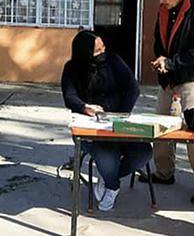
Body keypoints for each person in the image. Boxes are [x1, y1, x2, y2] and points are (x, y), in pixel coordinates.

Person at [140, 0, 194, 204]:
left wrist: (172, 62)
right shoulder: (164, 9)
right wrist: (162, 61)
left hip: (193, 77)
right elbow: (158, 39)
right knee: (161, 126)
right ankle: (164, 172)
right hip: (169, 76)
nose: (161, 1)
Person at [61, 31, 152, 211]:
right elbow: (69, 96)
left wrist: (120, 115)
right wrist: (84, 107)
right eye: (97, 51)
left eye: (103, 47)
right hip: (90, 127)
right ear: (84, 53)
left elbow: (132, 88)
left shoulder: (113, 61)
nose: (102, 52)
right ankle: (112, 185)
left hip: (117, 123)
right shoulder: (72, 68)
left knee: (144, 152)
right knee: (107, 155)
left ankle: (109, 177)